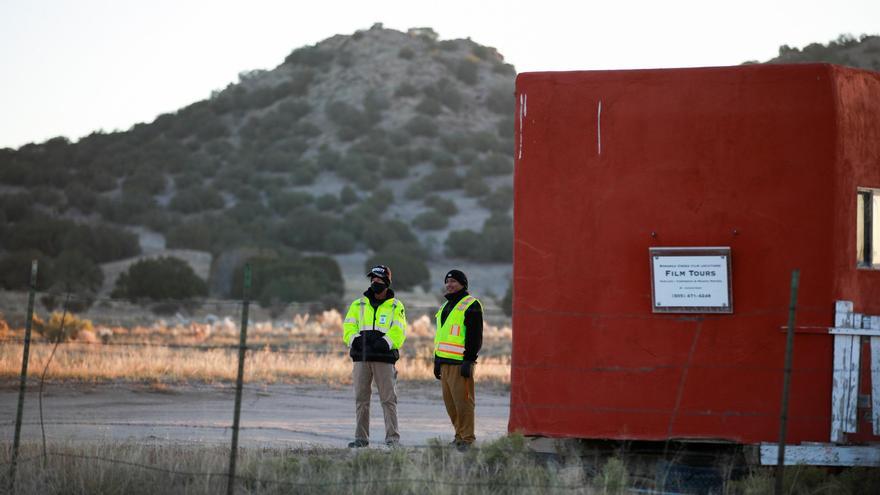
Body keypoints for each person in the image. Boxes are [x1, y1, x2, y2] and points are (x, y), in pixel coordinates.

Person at [342, 264, 407, 448]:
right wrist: (354, 339)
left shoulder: (396, 306)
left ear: (386, 282)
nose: (375, 282)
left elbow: (399, 330)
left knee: (388, 399)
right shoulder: (358, 304)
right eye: (373, 279)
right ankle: (361, 439)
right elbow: (348, 327)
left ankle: (392, 439)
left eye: (378, 279)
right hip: (361, 358)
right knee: (361, 399)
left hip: (384, 359)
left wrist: (385, 342)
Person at [433, 269, 483, 451]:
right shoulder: (444, 307)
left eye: (454, 281)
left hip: (460, 363)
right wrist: (436, 361)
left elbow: (475, 337)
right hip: (444, 363)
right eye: (447, 281)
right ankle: (459, 435)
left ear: (463, 284)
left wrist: (469, 361)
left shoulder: (472, 304)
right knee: (451, 404)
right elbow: (441, 336)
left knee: (463, 403)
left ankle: (467, 439)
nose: (449, 284)